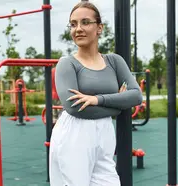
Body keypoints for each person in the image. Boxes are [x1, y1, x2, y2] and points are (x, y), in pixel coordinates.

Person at [49, 1, 143, 185]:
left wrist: (96, 100)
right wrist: (117, 106)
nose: (78, 29)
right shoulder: (67, 64)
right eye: (73, 24)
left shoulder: (114, 61)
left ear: (99, 28)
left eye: (85, 22)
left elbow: (135, 96)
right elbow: (75, 108)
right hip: (74, 134)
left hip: (105, 132)